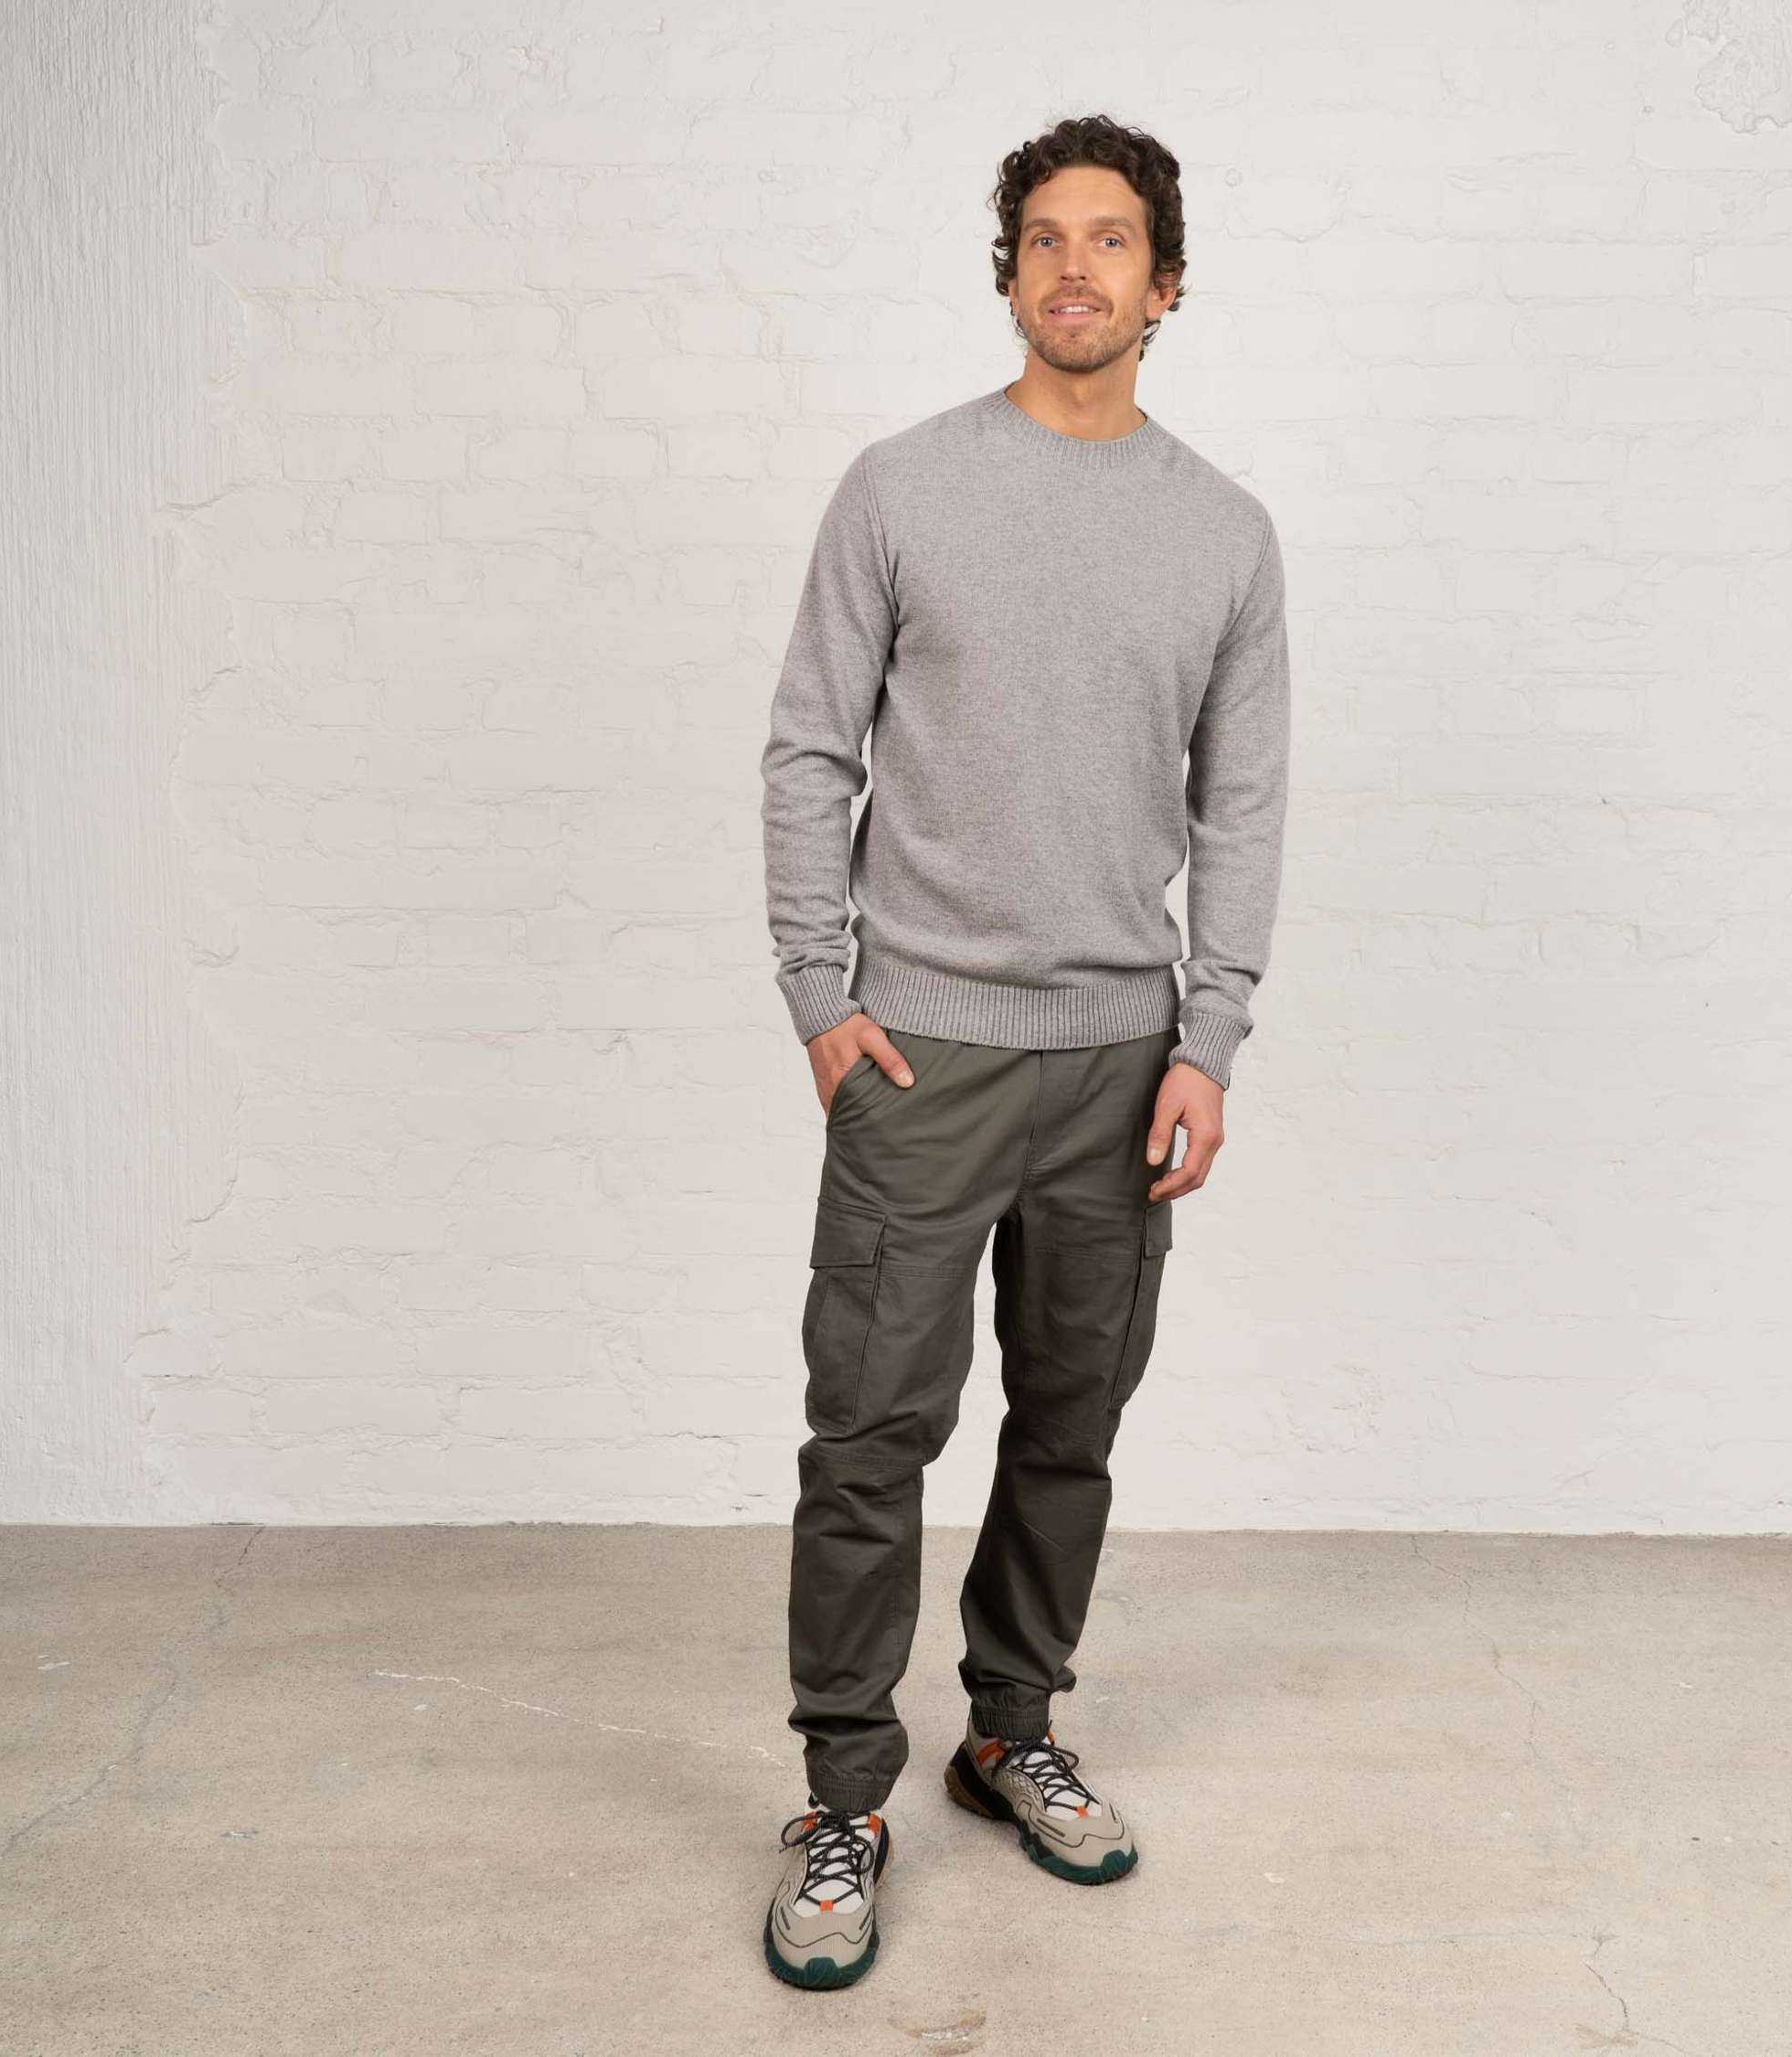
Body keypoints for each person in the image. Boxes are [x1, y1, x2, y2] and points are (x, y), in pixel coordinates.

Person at [756, 112, 1291, 1990]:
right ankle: (841, 1794)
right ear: (1009, 276)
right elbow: (809, 747)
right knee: (870, 1436)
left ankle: (1009, 1728)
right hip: (918, 1057)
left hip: (1120, 1065)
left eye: (1111, 239)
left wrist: (1208, 1036)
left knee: (1071, 1425)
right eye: (1045, 238)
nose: (1076, 267)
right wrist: (822, 999)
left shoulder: (1225, 533)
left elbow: (1242, 807)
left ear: (1167, 284)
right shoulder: (901, 489)